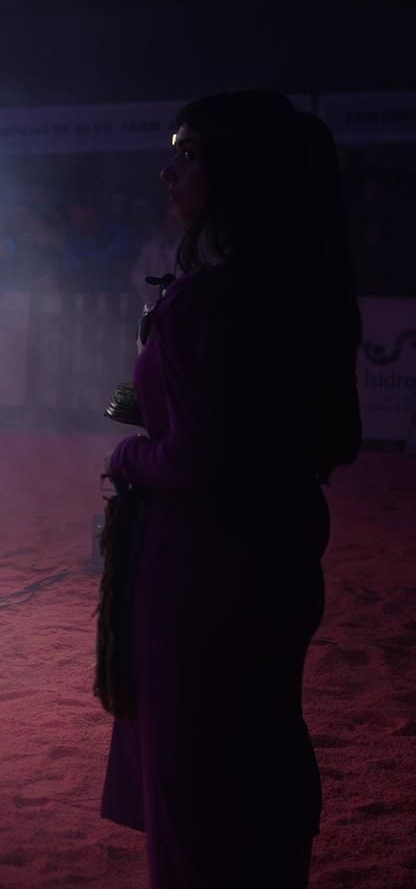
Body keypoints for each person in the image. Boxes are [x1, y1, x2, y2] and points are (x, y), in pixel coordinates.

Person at [100, 90, 362, 887]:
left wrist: (127, 456)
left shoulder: (206, 304)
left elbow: (197, 460)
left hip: (198, 578)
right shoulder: (297, 291)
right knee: (263, 767)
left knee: (195, 798)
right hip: (280, 558)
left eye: (187, 153)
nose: (169, 170)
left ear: (234, 176)